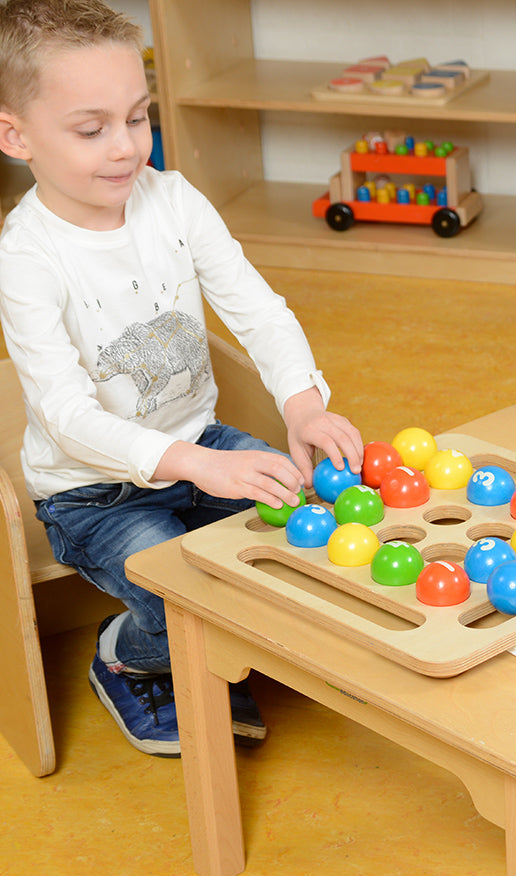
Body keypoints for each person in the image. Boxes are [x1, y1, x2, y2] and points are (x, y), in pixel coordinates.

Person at [0, 0, 364, 758]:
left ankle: (205, 642)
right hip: (90, 489)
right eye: (92, 128)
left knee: (299, 537)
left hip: (197, 441)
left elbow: (259, 311)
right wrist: (202, 465)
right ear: (15, 136)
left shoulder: (173, 201)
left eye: (139, 116)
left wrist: (302, 404)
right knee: (179, 587)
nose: (127, 147)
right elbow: (66, 415)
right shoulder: (27, 257)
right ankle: (127, 655)